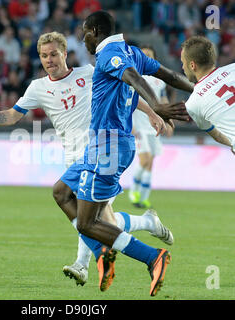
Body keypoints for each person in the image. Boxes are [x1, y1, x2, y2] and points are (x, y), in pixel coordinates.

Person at [0, 31, 176, 292]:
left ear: (65, 54)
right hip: (76, 160)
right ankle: (145, 225)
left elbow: (126, 93)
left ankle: (88, 262)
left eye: (54, 54)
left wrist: (152, 112)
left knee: (89, 218)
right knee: (99, 220)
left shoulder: (88, 73)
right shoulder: (38, 88)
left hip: (103, 152)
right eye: (44, 56)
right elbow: (13, 115)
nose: (49, 60)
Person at [54, 11, 194, 296]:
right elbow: (168, 74)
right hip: (102, 146)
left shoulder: (109, 55)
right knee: (61, 192)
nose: (84, 39)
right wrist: (198, 89)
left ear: (95, 31)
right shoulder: (131, 51)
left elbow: (131, 77)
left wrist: (158, 106)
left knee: (89, 222)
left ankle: (152, 257)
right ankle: (104, 250)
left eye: (85, 32)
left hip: (109, 146)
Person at [128, 45, 174, 209]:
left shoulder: (159, 81)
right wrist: (130, 125)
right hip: (139, 125)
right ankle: (133, 191)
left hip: (153, 127)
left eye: (149, 55)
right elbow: (128, 102)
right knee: (145, 159)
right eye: (144, 55)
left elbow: (163, 102)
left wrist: (169, 121)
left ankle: (144, 197)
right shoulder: (133, 77)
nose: (146, 57)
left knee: (150, 162)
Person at [181, 35, 235, 155]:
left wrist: (233, 144)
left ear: (192, 65)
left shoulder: (193, 104)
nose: (182, 67)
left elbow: (216, 134)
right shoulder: (233, 68)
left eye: (183, 62)